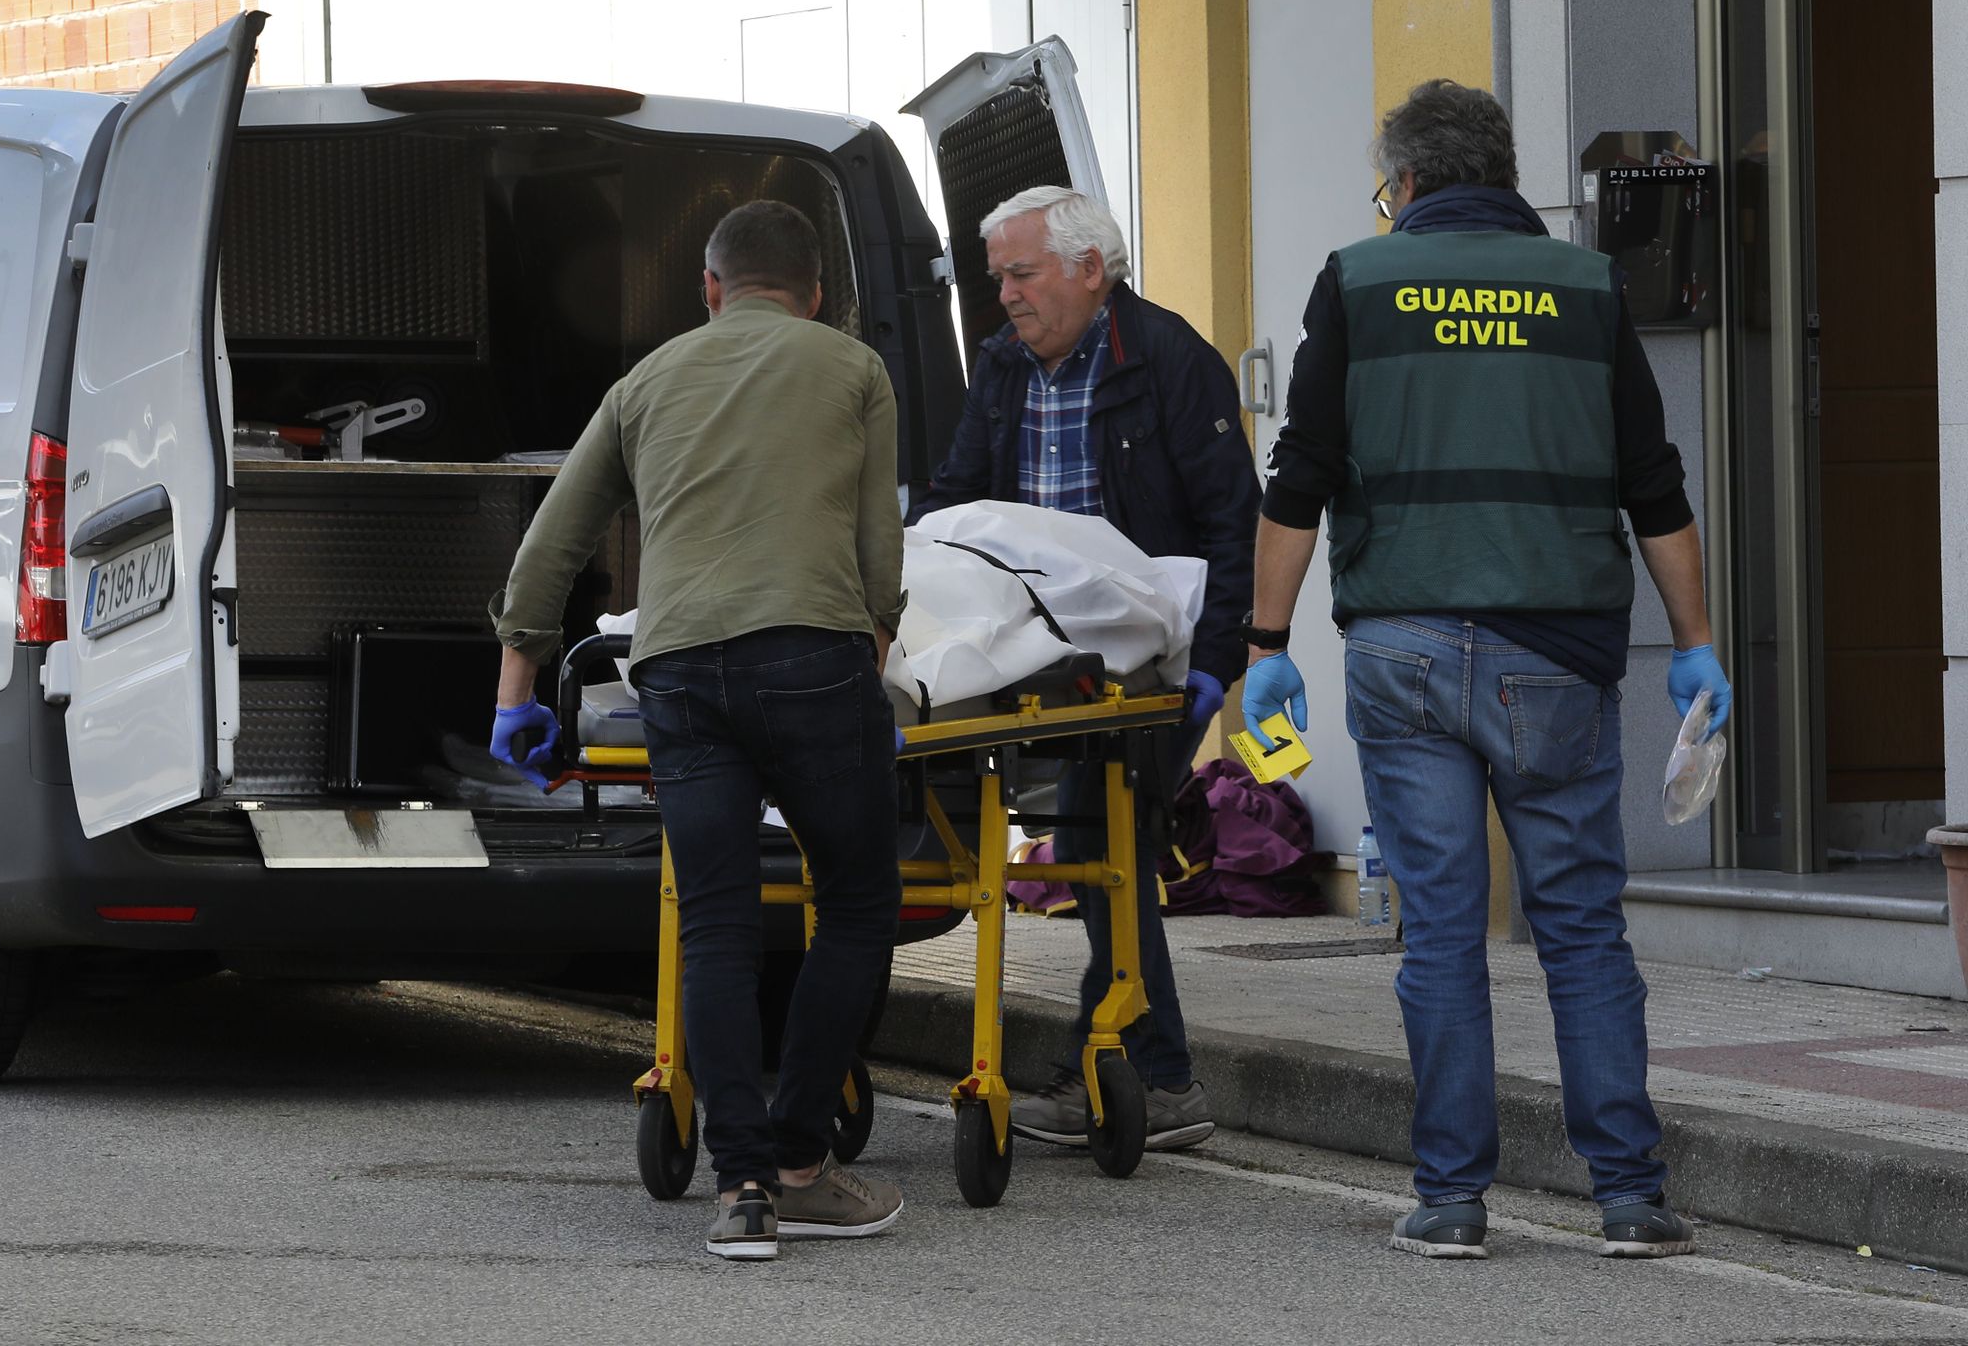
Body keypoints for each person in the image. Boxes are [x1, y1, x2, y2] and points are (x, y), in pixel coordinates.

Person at [1242, 81, 1733, 1261]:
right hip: (1555, 654)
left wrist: (1264, 648)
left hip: (1404, 650)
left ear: (1404, 185)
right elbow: (1652, 482)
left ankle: (1452, 1200)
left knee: (1443, 932)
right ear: (1502, 179)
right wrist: (1697, 638)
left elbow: (1299, 475)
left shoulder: (1358, 279)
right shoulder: (1587, 285)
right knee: (1578, 926)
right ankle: (1628, 1197)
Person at [489, 200, 907, 1262]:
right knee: (855, 902)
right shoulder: (853, 369)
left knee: (716, 921)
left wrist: (517, 688)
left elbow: (555, 538)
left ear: (711, 290)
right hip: (812, 655)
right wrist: (872, 652)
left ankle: (744, 1192)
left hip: (674, 669)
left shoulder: (645, 383)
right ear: (815, 295)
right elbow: (876, 554)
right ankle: (806, 1161)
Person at [911, 185, 1260, 1151]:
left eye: (1022, 275)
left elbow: (1236, 521)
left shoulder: (1170, 361)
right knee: (1108, 854)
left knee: (1115, 847)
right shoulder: (1004, 369)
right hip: (1036, 655)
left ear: (1089, 269)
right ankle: (1145, 1070)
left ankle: (1143, 1070)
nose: (1007, 297)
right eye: (998, 280)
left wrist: (1219, 660)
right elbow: (958, 498)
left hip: (1149, 657)